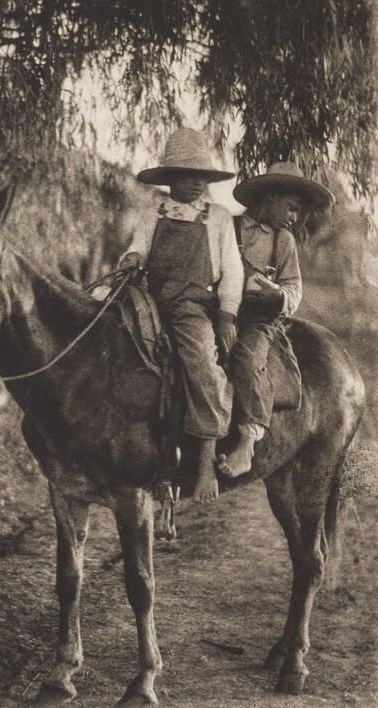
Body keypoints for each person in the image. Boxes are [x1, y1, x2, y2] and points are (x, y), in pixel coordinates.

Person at [120, 127, 244, 502]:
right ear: (171, 178)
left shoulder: (218, 217)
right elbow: (138, 247)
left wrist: (227, 315)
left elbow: (232, 270)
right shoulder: (152, 212)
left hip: (191, 306)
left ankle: (205, 463)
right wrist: (131, 258)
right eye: (188, 176)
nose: (196, 184)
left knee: (203, 364)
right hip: (149, 300)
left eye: (202, 177)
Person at [217, 162, 335, 477]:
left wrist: (278, 296)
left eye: (298, 212)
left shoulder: (283, 241)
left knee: (247, 357)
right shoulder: (228, 226)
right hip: (221, 310)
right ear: (270, 197)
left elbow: (294, 288)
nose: (294, 217)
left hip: (258, 318)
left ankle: (247, 440)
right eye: (292, 208)